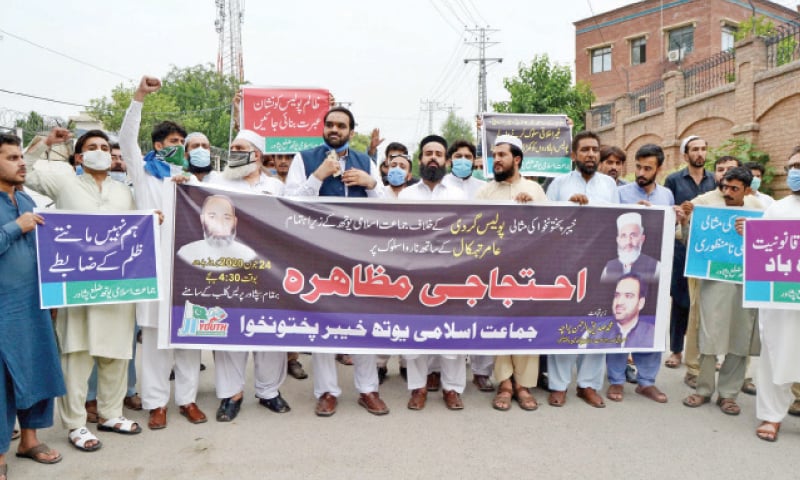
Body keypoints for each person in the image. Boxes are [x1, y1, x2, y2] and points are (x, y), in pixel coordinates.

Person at [25, 128, 142, 450]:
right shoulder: (64, 183)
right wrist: (46, 143)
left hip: (117, 286)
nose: (101, 151)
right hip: (75, 286)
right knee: (76, 355)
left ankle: (110, 413)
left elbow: (135, 231)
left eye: (105, 146)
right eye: (93, 147)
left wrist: (151, 220)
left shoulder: (124, 192)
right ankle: (76, 424)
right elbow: (23, 169)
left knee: (116, 352)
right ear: (79, 156)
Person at [284, 106, 389, 417]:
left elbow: (385, 208)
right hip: (318, 252)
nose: (334, 129)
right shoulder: (305, 159)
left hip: (359, 255)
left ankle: (368, 390)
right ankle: (327, 392)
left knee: (363, 323)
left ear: (350, 132)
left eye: (341, 126)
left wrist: (370, 184)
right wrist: (319, 176)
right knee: (324, 323)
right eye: (329, 124)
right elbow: (288, 203)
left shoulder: (365, 161)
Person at [119, 76, 207, 430]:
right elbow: (126, 140)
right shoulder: (144, 174)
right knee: (155, 340)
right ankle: (157, 403)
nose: (181, 147)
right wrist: (139, 97)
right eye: (174, 142)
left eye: (182, 143)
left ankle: (188, 400)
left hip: (187, 271)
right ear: (158, 145)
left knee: (189, 337)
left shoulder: (191, 179)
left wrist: (190, 190)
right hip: (154, 268)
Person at [0, 133, 65, 475]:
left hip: (33, 304)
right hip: (3, 309)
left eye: (21, 157)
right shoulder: (17, 213)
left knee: (38, 369)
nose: (21, 162)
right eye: (12, 158)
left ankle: (29, 440)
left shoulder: (25, 200)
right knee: (2, 382)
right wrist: (14, 228)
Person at [545, 130, 619, 409]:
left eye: (595, 150)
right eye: (585, 149)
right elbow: (545, 223)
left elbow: (618, 220)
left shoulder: (610, 186)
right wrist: (569, 207)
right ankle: (559, 385)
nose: (591, 154)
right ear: (574, 155)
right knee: (564, 323)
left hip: (600, 263)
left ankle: (587, 385)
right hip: (566, 264)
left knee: (598, 324)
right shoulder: (559, 184)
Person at [475, 134, 547, 411]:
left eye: (502, 155)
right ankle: (505, 383)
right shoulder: (485, 192)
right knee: (501, 324)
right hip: (496, 270)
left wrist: (532, 208)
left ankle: (524, 384)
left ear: (516, 159)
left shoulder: (535, 189)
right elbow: (472, 226)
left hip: (528, 270)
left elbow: (552, 227)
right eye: (494, 155)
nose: (496, 160)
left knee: (527, 325)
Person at [682, 167, 761, 416]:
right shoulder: (708, 208)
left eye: (734, 188)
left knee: (740, 338)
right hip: (713, 283)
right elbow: (691, 244)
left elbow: (772, 247)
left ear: (747, 190)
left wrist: (752, 233)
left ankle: (728, 395)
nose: (727, 192)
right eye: (724, 187)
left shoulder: (760, 211)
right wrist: (686, 220)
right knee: (709, 335)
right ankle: (703, 390)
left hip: (745, 286)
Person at [398, 134, 468, 411]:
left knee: (453, 336)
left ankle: (452, 389)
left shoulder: (458, 195)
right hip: (413, 274)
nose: (433, 158)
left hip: (450, 276)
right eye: (428, 153)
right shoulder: (406, 195)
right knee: (416, 334)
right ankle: (418, 388)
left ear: (446, 161)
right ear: (420, 160)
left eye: (439, 154)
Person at [606, 143, 674, 404]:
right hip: (620, 270)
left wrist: (675, 216)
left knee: (650, 323)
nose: (642, 172)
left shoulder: (666, 196)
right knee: (619, 321)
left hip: (652, 268)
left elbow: (667, 231)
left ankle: (647, 381)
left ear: (659, 168)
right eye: (638, 167)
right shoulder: (620, 192)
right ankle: (616, 380)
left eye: (648, 168)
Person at [753, 147, 800, 441]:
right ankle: (771, 416)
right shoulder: (777, 209)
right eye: (793, 165)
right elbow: (762, 254)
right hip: (782, 300)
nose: (795, 171)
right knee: (776, 354)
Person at [441, 139, 493, 391]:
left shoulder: (485, 188)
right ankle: (436, 371)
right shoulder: (440, 186)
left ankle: (481, 371)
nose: (463, 160)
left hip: (480, 259)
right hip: (446, 261)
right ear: (450, 160)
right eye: (458, 156)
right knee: (445, 314)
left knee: (481, 314)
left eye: (468, 156)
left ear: (474, 161)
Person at [662, 136, 716, 375]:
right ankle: (676, 350)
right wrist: (680, 214)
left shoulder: (715, 180)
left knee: (706, 303)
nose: (700, 153)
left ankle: (706, 353)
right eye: (695, 149)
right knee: (681, 302)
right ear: (685, 155)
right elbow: (667, 213)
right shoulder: (674, 180)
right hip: (682, 250)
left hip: (709, 252)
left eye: (703, 149)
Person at [176, 194, 257, 270]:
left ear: (234, 222)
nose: (219, 225)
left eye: (227, 218)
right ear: (202, 220)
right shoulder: (186, 253)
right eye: (212, 217)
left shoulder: (249, 256)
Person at [601, 212, 660, 283]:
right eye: (623, 236)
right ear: (618, 240)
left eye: (633, 235)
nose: (628, 242)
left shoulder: (656, 267)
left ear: (642, 239)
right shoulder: (608, 268)